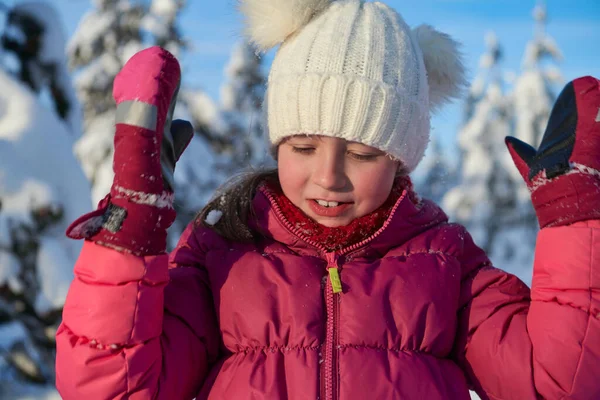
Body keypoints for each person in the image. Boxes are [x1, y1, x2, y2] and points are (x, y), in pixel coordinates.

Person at [55, 0, 600, 399]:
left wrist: (576, 221)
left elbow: (559, 383)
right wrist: (131, 225)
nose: (328, 176)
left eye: (363, 154)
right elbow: (112, 388)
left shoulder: (445, 264)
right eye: (304, 146)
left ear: (401, 158)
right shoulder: (222, 256)